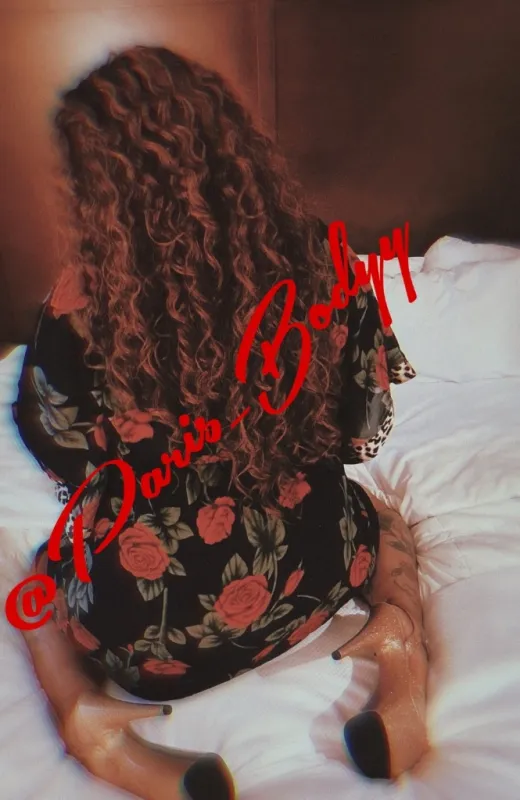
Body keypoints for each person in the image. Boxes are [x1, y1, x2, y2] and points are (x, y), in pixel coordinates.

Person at [11, 45, 427, 799]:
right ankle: (402, 665)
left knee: (43, 570)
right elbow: (360, 426)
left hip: (151, 633)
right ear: (230, 142)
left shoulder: (78, 310)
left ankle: (86, 722)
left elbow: (69, 459)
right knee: (383, 517)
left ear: (95, 187)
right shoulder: (324, 261)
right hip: (314, 570)